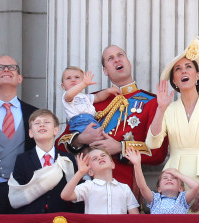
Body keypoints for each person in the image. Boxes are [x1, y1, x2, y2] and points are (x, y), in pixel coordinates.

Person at [58, 45, 167, 187]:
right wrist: (80, 139)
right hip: (87, 186)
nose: (116, 60)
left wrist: (121, 148)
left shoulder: (152, 102)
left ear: (129, 63)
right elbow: (59, 144)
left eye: (120, 55)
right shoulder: (91, 100)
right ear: (105, 71)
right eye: (110, 59)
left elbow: (158, 153)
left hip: (125, 185)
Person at [146, 37, 199, 214]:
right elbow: (152, 144)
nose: (183, 71)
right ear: (175, 81)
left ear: (197, 75)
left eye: (188, 67)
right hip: (174, 184)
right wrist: (160, 109)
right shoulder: (168, 109)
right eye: (178, 69)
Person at [0, 55, 39, 214]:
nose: (6, 70)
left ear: (19, 78)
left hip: (26, 190)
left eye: (12, 67)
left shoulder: (35, 114)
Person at [7, 109, 83, 215]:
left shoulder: (67, 159)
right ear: (30, 133)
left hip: (62, 219)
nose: (42, 125)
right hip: (32, 220)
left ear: (56, 130)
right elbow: (18, 194)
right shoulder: (22, 159)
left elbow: (77, 192)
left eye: (47, 122)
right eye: (37, 123)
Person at [60, 148, 140, 214]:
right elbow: (65, 195)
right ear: (90, 171)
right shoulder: (88, 186)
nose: (100, 158)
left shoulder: (124, 188)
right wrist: (80, 173)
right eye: (94, 158)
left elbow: (135, 217)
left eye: (103, 155)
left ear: (113, 164)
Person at [127, 149, 199, 214]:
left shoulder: (182, 199)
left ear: (180, 188)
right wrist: (137, 164)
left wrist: (178, 174)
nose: (169, 179)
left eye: (174, 178)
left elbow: (195, 186)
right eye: (165, 178)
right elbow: (142, 187)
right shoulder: (155, 199)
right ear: (159, 189)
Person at [59, 66, 119, 132]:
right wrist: (83, 84)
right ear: (63, 86)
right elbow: (70, 94)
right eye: (68, 78)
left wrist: (108, 91)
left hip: (92, 120)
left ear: (83, 80)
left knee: (100, 137)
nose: (73, 80)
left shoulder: (85, 97)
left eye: (77, 77)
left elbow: (98, 97)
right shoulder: (67, 95)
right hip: (79, 122)